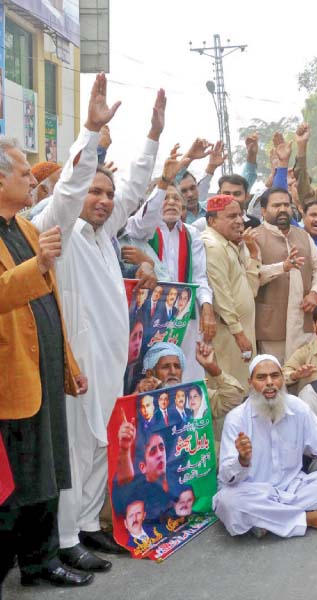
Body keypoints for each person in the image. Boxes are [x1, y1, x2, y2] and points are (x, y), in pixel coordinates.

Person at [30, 76, 161, 569]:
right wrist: (89, 132)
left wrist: (152, 138)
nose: (104, 200)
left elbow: (133, 191)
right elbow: (68, 189)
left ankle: (86, 525)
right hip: (76, 364)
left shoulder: (106, 236)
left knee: (101, 445)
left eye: (108, 193)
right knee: (77, 449)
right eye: (96, 192)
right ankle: (64, 541)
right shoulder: (60, 228)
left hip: (109, 363)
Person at [0, 137, 92, 587]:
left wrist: (69, 364)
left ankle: (43, 560)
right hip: (10, 376)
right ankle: (27, 561)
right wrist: (35, 265)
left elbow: (51, 304)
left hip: (44, 368)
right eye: (23, 174)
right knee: (19, 482)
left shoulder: (26, 227)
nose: (31, 181)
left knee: (49, 471)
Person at [213, 355, 317, 538]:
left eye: (275, 376)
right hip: (254, 492)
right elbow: (226, 477)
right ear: (250, 383)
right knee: (228, 502)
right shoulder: (237, 419)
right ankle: (309, 519)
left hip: (295, 489)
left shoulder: (298, 408)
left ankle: (267, 520)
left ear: (282, 379)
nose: (270, 383)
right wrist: (242, 461)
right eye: (261, 378)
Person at [124, 142, 216, 382]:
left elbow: (199, 277)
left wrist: (206, 307)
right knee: (153, 375)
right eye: (166, 198)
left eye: (177, 199)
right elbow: (147, 214)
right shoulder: (143, 230)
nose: (172, 202)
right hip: (151, 316)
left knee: (187, 374)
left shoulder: (191, 234)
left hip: (185, 317)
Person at [253, 186, 317, 362]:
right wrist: (282, 267)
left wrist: (315, 292)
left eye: (286, 204)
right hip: (272, 324)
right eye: (276, 205)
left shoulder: (303, 235)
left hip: (303, 320)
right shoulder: (255, 237)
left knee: (304, 371)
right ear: (263, 211)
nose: (283, 209)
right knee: (275, 373)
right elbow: (253, 276)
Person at [201, 194, 261, 388]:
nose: (239, 221)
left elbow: (248, 288)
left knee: (242, 387)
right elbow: (221, 296)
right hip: (229, 336)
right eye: (231, 216)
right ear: (212, 220)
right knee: (230, 390)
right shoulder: (213, 246)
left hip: (239, 333)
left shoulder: (229, 244)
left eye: (240, 215)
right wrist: (239, 334)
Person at [134, 341, 245, 439]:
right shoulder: (144, 402)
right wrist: (137, 396)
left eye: (177, 366)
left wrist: (212, 368)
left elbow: (234, 398)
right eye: (166, 367)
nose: (173, 372)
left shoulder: (194, 396)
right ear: (150, 373)